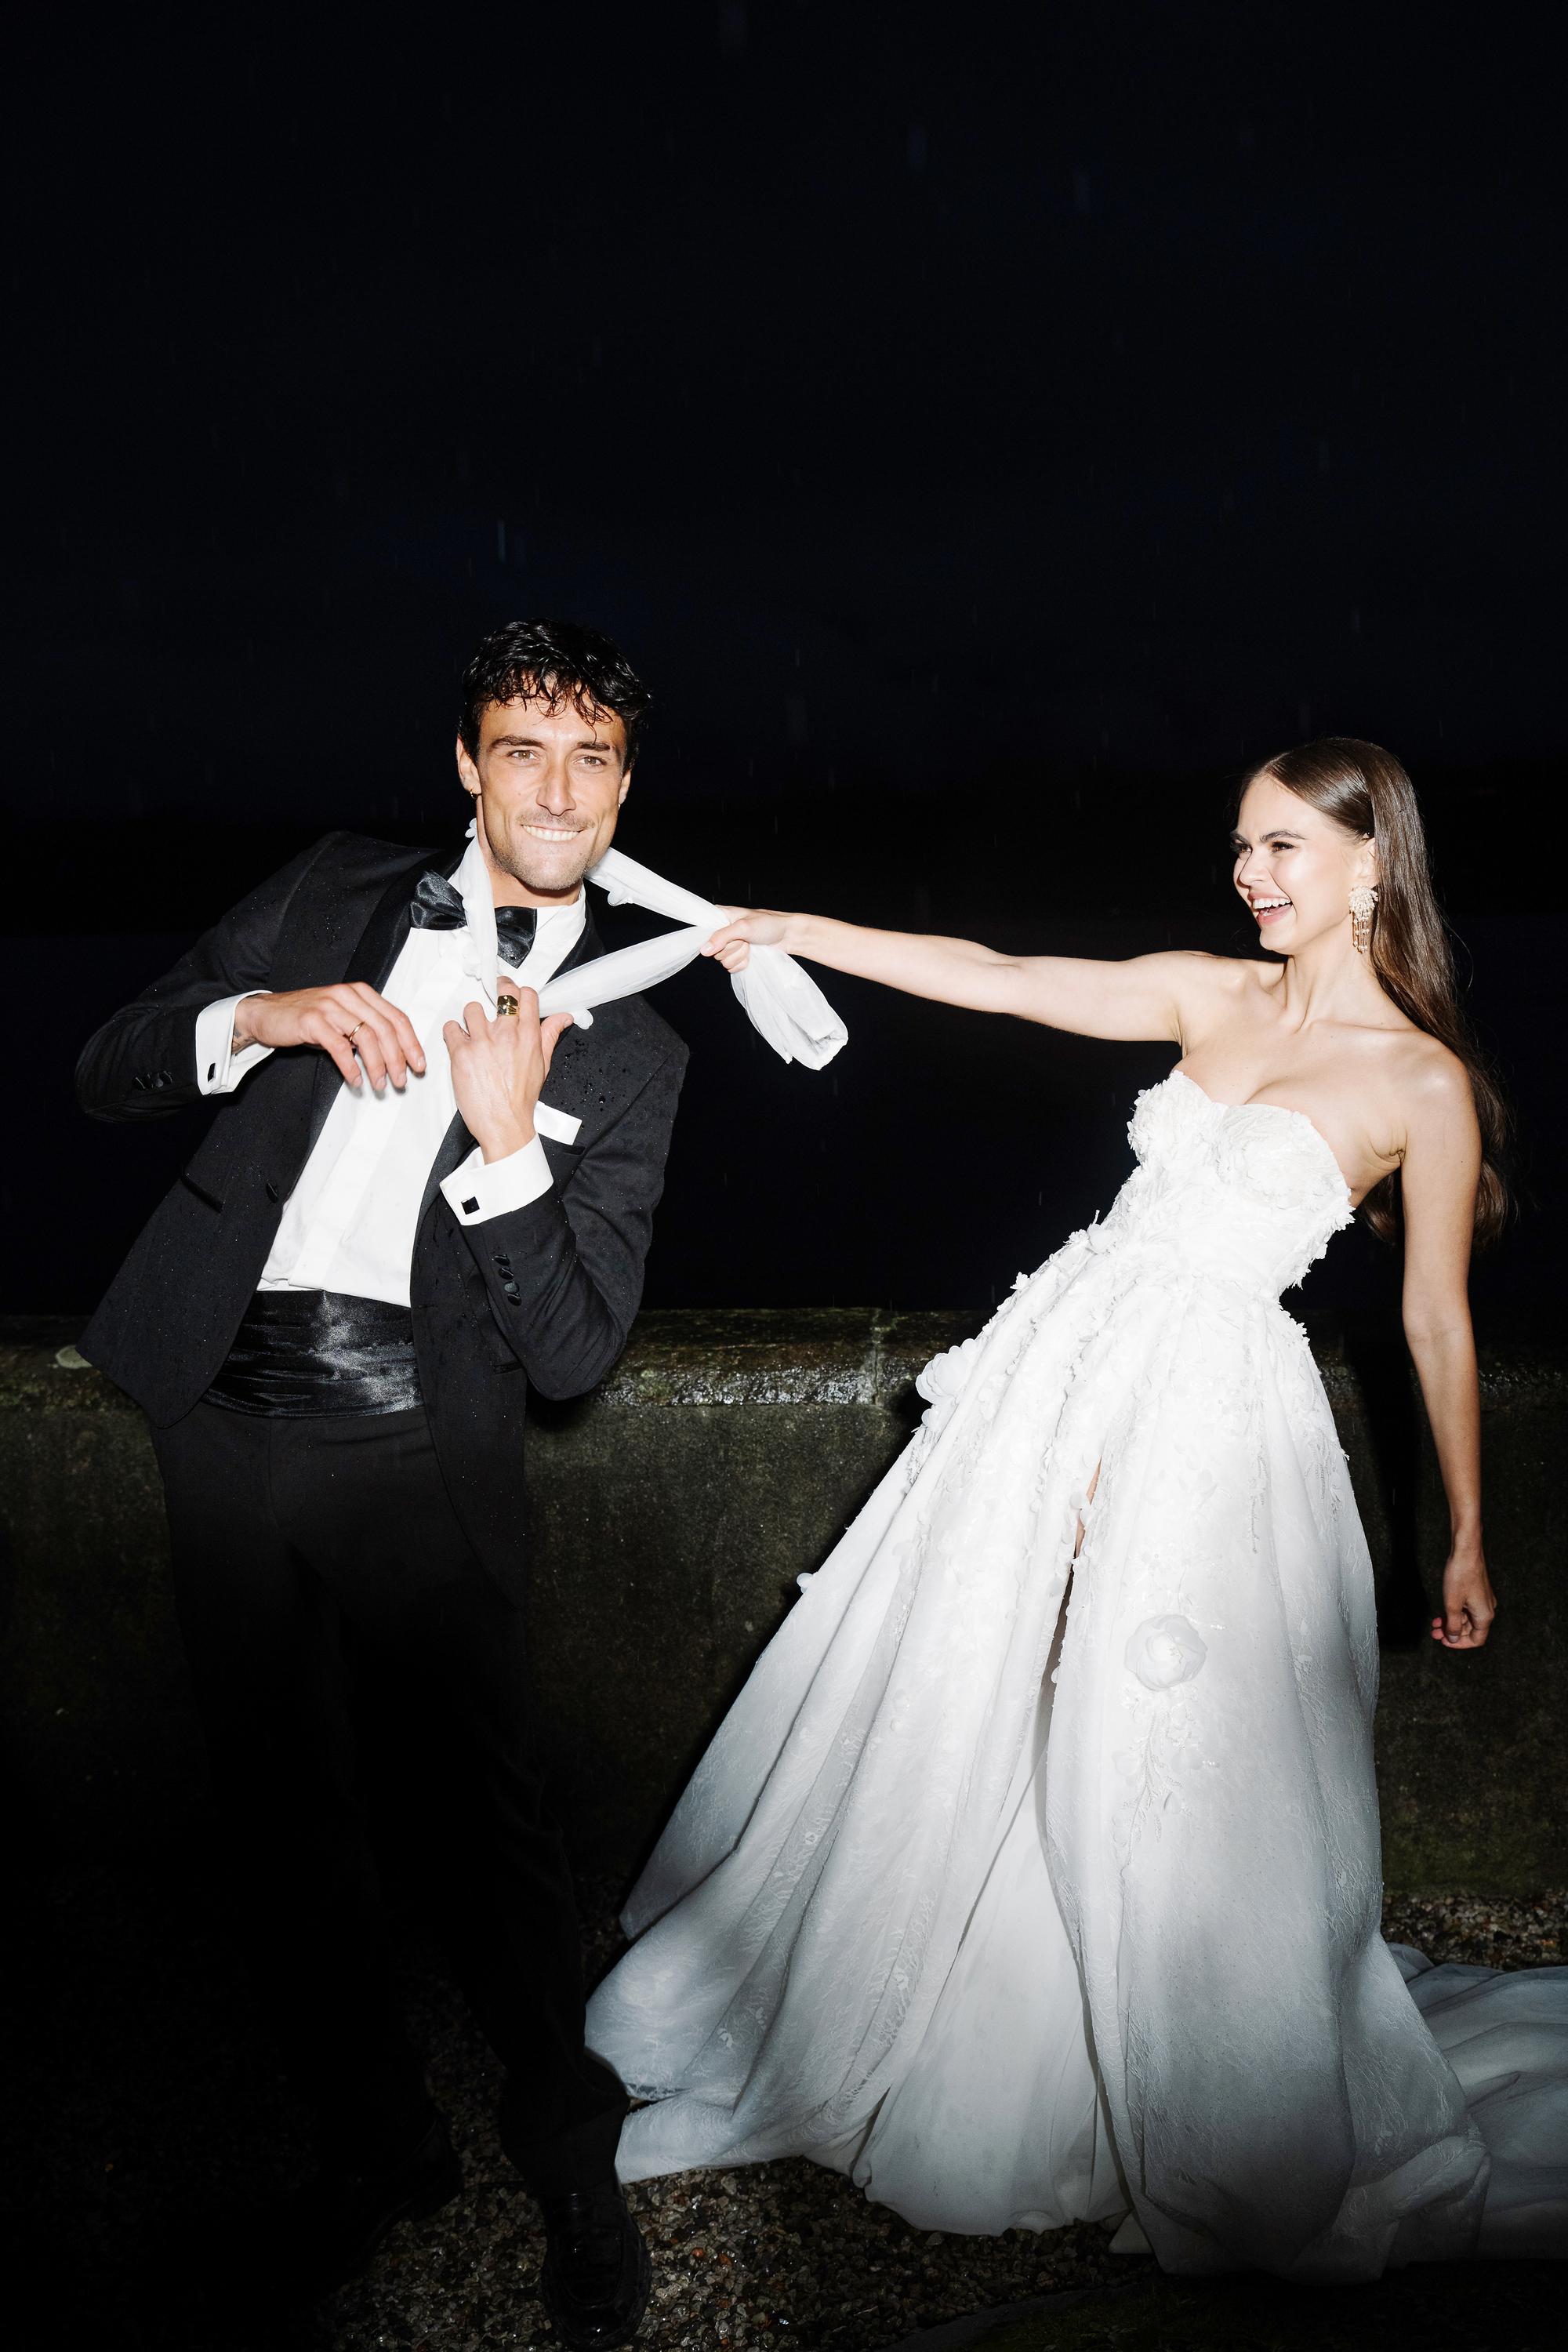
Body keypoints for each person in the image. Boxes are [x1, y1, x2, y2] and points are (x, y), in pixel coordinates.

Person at [587, 738, 1568, 2278]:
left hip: (1209, 1423)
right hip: (1059, 1374)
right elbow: (996, 976)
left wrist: (1464, 1532)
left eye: (1281, 848)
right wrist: (796, 930)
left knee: (1160, 1748)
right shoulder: (1205, 991)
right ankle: (991, 2033)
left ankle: (1200, 2081)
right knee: (987, 1693)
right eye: (1239, 845)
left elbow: (1436, 1322)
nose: (1247, 875)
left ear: (1373, 862)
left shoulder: (1419, 1082)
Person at [77, 618, 684, 2347]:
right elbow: (108, 1066)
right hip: (219, 1409)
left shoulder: (636, 1040)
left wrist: (509, 1147)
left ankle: (569, 2166)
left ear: (625, 787)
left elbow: (573, 1358)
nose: (554, 791)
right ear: (466, 766)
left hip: (418, 1443)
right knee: (282, 1824)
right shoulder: (333, 886)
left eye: (590, 759)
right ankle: (377, 2149)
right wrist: (256, 1016)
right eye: (521, 752)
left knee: (490, 1839)